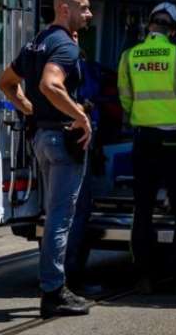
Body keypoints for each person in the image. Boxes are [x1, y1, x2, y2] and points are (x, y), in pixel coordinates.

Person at [0, 0, 93, 318]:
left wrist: (24, 107)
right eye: (84, 8)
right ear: (64, 9)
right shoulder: (63, 46)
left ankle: (55, 285)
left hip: (41, 138)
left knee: (54, 215)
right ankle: (54, 291)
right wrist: (80, 117)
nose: (89, 14)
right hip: (62, 139)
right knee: (60, 218)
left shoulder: (37, 42)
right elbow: (50, 85)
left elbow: (6, 80)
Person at [117, 2, 176, 294]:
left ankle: (144, 276)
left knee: (143, 209)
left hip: (144, 139)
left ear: (150, 25)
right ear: (174, 30)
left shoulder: (128, 57)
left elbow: (125, 100)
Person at [65, 34, 103, 294]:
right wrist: (84, 109)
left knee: (68, 212)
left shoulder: (48, 55)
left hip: (70, 137)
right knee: (76, 212)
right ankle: (71, 278)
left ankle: (65, 277)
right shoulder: (71, 61)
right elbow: (86, 96)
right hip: (76, 138)